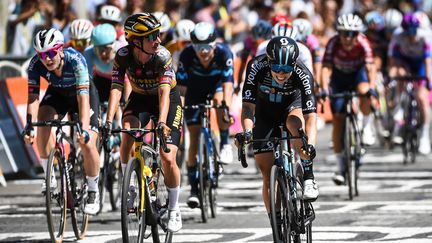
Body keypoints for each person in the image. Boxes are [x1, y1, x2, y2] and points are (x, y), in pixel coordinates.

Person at [103, 13, 183, 232]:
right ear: (136, 41)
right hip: (139, 98)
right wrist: (108, 121)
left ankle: (174, 209)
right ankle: (129, 185)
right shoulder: (122, 56)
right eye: (151, 37)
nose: (158, 40)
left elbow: (165, 95)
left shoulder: (162, 56)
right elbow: (117, 88)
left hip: (167, 100)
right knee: (126, 133)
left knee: (167, 157)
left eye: (158, 34)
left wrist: (163, 123)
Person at [236, 36, 319, 227]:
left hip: (292, 106)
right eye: (276, 68)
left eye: (287, 69)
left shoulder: (303, 73)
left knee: (293, 124)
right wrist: (247, 131)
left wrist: (311, 145)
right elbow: (248, 106)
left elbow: (311, 116)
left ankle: (308, 176)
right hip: (264, 113)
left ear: (294, 64)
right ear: (269, 62)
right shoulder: (256, 66)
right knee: (267, 173)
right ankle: (276, 219)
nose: (281, 73)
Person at [23, 28, 101, 215]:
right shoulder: (35, 65)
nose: (47, 59)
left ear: (60, 49)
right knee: (42, 122)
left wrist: (82, 128)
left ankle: (93, 190)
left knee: (88, 142)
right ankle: (49, 175)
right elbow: (33, 97)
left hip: (81, 94)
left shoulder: (76, 61)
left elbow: (83, 99)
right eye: (42, 55)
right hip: (57, 94)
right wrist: (29, 125)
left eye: (51, 53)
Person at [176, 21, 234, 208]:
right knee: (193, 137)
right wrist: (180, 110)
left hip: (216, 86)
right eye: (198, 47)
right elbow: (182, 90)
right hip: (194, 89)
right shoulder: (186, 55)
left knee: (220, 103)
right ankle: (194, 189)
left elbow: (227, 85)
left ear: (214, 44)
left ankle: (225, 143)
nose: (203, 52)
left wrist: (226, 108)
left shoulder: (225, 53)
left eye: (207, 47)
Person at [320, 13, 377, 185]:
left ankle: (366, 127)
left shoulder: (363, 42)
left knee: (364, 90)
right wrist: (323, 88)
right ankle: (339, 167)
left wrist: (372, 87)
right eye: (344, 33)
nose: (347, 38)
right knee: (338, 119)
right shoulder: (333, 43)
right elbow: (326, 67)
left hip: (357, 74)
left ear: (357, 34)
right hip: (339, 77)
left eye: (352, 34)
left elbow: (370, 67)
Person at [388, 13, 432, 155]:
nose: (412, 36)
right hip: (405, 62)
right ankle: (400, 107)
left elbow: (427, 61)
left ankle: (425, 136)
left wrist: (428, 80)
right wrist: (392, 75)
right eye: (409, 32)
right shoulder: (397, 35)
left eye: (414, 31)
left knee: (422, 98)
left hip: (420, 63)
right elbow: (393, 60)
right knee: (400, 74)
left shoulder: (425, 35)